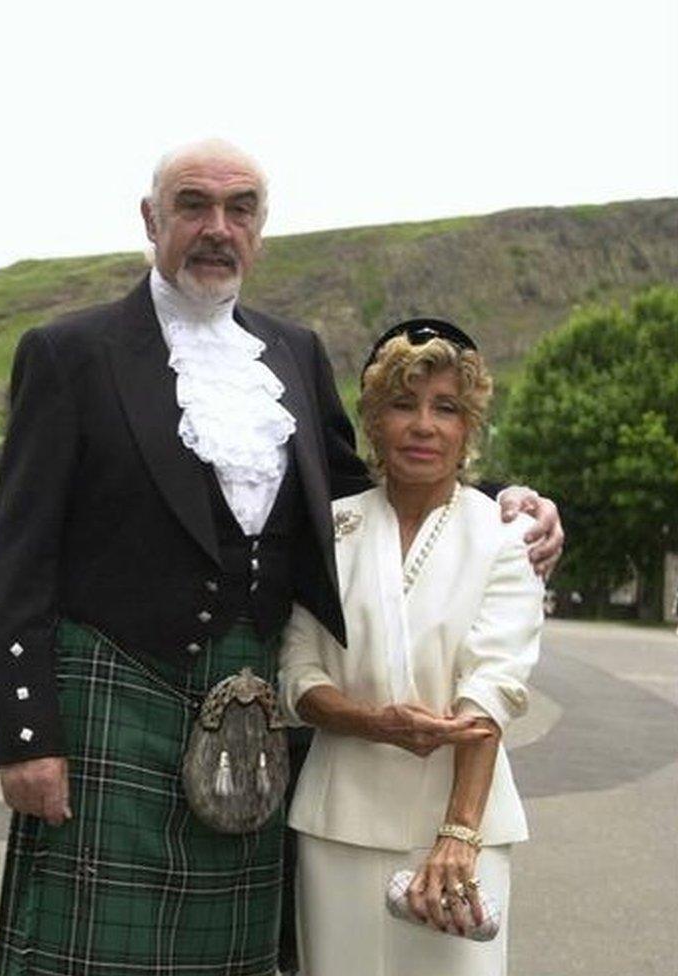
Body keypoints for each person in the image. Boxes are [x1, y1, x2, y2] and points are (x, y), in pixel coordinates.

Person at [0, 141, 562, 976]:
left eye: (240, 208)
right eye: (193, 205)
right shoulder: (70, 354)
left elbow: (365, 484)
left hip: (255, 710)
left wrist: (508, 500)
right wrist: (25, 737)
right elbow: (18, 560)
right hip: (112, 703)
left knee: (236, 959)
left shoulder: (290, 354)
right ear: (151, 219)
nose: (218, 228)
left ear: (261, 228)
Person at [278, 319, 544, 976]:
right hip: (337, 821)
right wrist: (373, 722)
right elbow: (297, 673)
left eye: (445, 408)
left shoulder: (504, 537)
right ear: (373, 421)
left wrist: (459, 833)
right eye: (403, 404)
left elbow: (495, 685)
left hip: (465, 829)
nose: (423, 425)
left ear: (468, 426)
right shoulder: (331, 531)